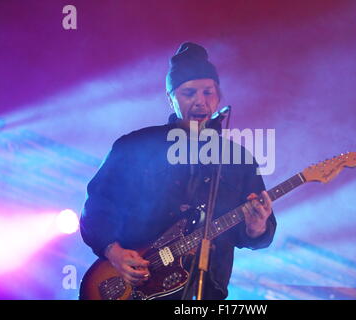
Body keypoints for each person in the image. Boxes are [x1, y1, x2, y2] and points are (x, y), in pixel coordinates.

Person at [80, 42, 277, 300]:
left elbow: (256, 236)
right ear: (170, 96)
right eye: (189, 93)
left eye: (208, 92)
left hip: (205, 291)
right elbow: (97, 207)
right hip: (136, 286)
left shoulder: (238, 159)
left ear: (218, 96)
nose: (200, 101)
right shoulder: (135, 146)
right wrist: (113, 252)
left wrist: (257, 225)